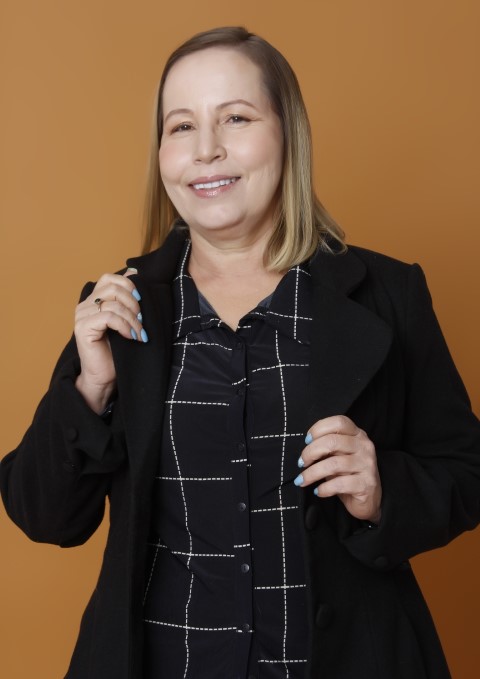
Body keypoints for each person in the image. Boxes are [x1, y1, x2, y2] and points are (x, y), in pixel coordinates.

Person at [1, 25, 480, 679]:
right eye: (181, 126)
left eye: (236, 117)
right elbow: (42, 514)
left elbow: (464, 472)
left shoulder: (387, 295)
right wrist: (91, 389)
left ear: (288, 133)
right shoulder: (120, 308)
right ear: (161, 152)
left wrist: (382, 489)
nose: (207, 150)